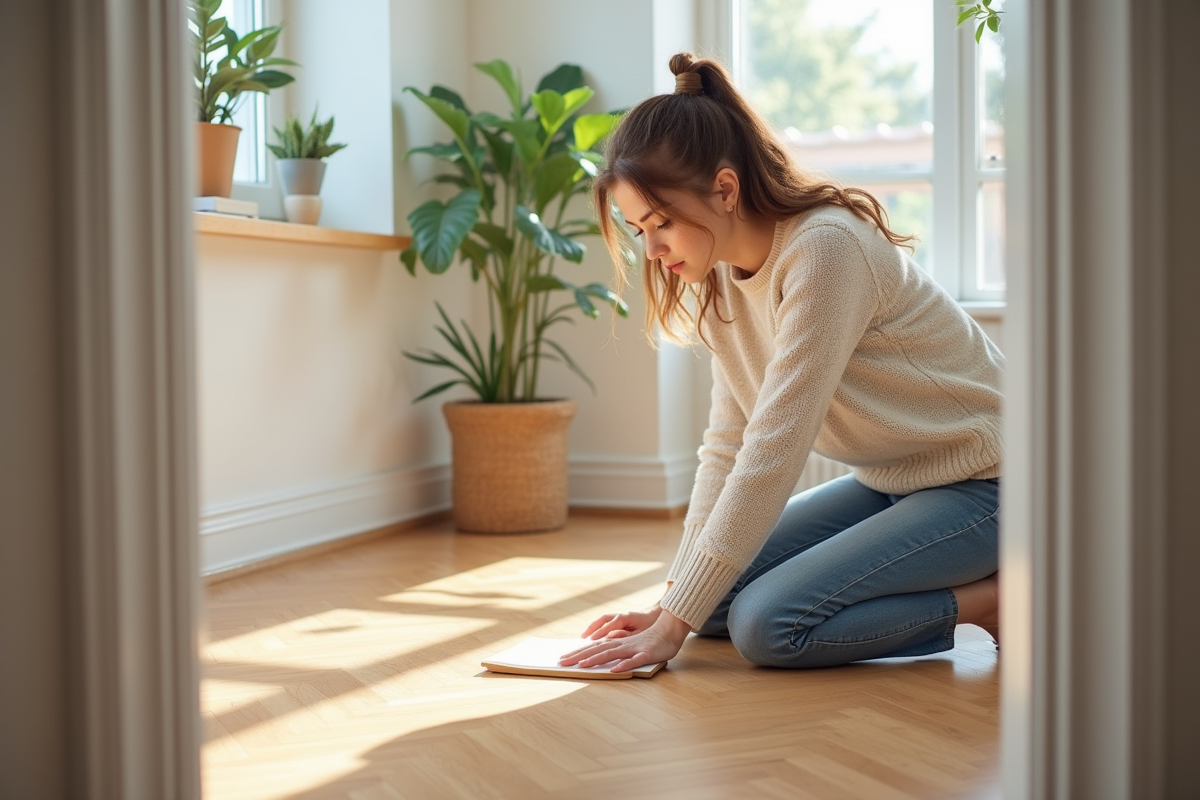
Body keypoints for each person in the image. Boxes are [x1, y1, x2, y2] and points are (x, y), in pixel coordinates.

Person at [559, 53, 1003, 674]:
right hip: (892, 481)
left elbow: (775, 445)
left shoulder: (825, 249)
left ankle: (996, 601)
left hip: (990, 484)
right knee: (710, 606)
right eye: (639, 231)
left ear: (725, 189)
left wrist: (670, 628)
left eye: (661, 223)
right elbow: (728, 444)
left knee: (768, 626)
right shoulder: (718, 279)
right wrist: (672, 607)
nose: (653, 250)